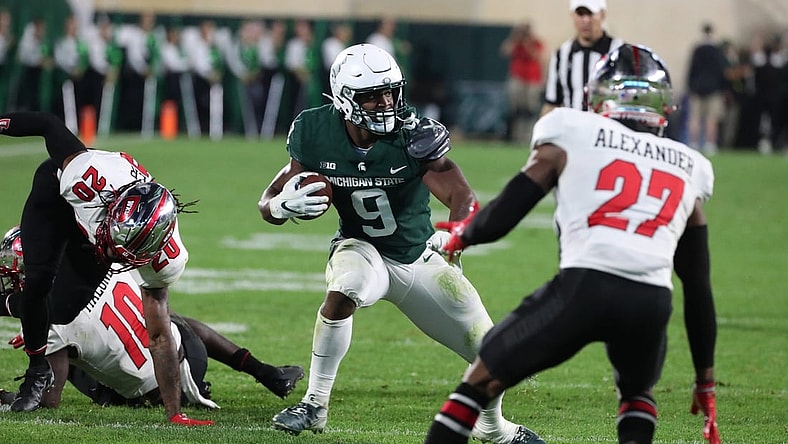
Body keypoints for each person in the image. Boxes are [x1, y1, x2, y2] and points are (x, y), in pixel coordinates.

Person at [424, 44, 720, 444]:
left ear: (599, 97)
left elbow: (512, 206)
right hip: (650, 303)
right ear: (663, 106)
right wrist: (705, 378)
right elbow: (698, 284)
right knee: (636, 395)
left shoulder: (571, 130)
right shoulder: (688, 164)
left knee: (478, 381)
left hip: (585, 288)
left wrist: (466, 233)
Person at [257, 43, 544, 444]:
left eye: (390, 92)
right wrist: (281, 206)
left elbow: (462, 196)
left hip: (419, 257)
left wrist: (457, 234)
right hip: (362, 248)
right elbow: (267, 202)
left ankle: (493, 427)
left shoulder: (413, 134)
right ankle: (315, 404)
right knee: (346, 288)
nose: (385, 103)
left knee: (494, 356)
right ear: (343, 98)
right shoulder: (314, 129)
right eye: (372, 95)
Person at [0, 111, 212, 425]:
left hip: (93, 231)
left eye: (123, 250)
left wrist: (174, 413)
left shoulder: (166, 259)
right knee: (38, 282)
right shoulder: (86, 177)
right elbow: (48, 125)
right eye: (114, 240)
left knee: (62, 307)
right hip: (59, 198)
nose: (114, 251)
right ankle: (37, 370)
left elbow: (160, 335)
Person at [0, 225, 305, 409]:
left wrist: (5, 395)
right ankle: (264, 371)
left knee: (63, 357)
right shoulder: (95, 261)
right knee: (164, 319)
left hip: (156, 390)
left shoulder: (54, 320)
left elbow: (47, 401)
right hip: (189, 351)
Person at [541, 0, 623, 115]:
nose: (585, 20)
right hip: (572, 129)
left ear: (602, 15)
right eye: (580, 14)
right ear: (572, 16)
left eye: (590, 14)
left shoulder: (619, 51)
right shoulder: (562, 54)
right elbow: (552, 103)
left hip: (606, 129)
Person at [499, 21, 545, 143]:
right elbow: (504, 51)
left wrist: (527, 43)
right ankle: (514, 136)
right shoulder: (516, 42)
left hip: (533, 80)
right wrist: (515, 37)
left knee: (530, 109)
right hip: (517, 78)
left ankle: (528, 135)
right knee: (515, 108)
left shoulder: (535, 42)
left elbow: (536, 56)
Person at [686, 23, 728, 154]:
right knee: (712, 119)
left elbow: (691, 70)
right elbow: (722, 71)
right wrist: (723, 88)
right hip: (714, 89)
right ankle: (710, 143)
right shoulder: (717, 51)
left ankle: (693, 142)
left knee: (695, 118)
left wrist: (691, 87)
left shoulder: (697, 50)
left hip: (697, 88)